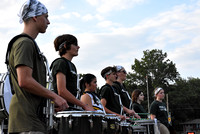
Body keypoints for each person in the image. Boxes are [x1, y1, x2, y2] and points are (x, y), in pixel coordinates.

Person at [8, 0, 68, 133]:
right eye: (46, 17)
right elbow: (25, 81)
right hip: (26, 122)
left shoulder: (29, 44)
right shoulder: (24, 43)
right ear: (35, 17)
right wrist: (54, 96)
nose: (48, 22)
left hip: (32, 120)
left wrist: (48, 103)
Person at [50, 34, 94, 111]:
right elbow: (62, 91)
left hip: (70, 107)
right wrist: (84, 105)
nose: (78, 47)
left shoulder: (72, 66)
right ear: (66, 46)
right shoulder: (60, 63)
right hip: (62, 110)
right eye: (75, 44)